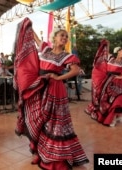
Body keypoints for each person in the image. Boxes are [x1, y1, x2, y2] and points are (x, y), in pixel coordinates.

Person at [13, 17, 89, 170]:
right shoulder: (46, 49)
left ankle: (55, 157)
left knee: (54, 122)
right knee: (38, 118)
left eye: (66, 37)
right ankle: (39, 152)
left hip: (55, 89)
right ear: (54, 38)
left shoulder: (67, 56)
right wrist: (29, 25)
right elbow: (35, 38)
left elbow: (75, 70)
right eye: (62, 35)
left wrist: (59, 77)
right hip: (40, 87)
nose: (65, 38)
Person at [85, 41, 122, 127]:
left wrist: (121, 76)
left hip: (117, 82)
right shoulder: (111, 58)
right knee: (104, 99)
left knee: (118, 98)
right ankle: (113, 116)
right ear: (118, 52)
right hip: (105, 81)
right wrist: (107, 44)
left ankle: (114, 116)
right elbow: (105, 52)